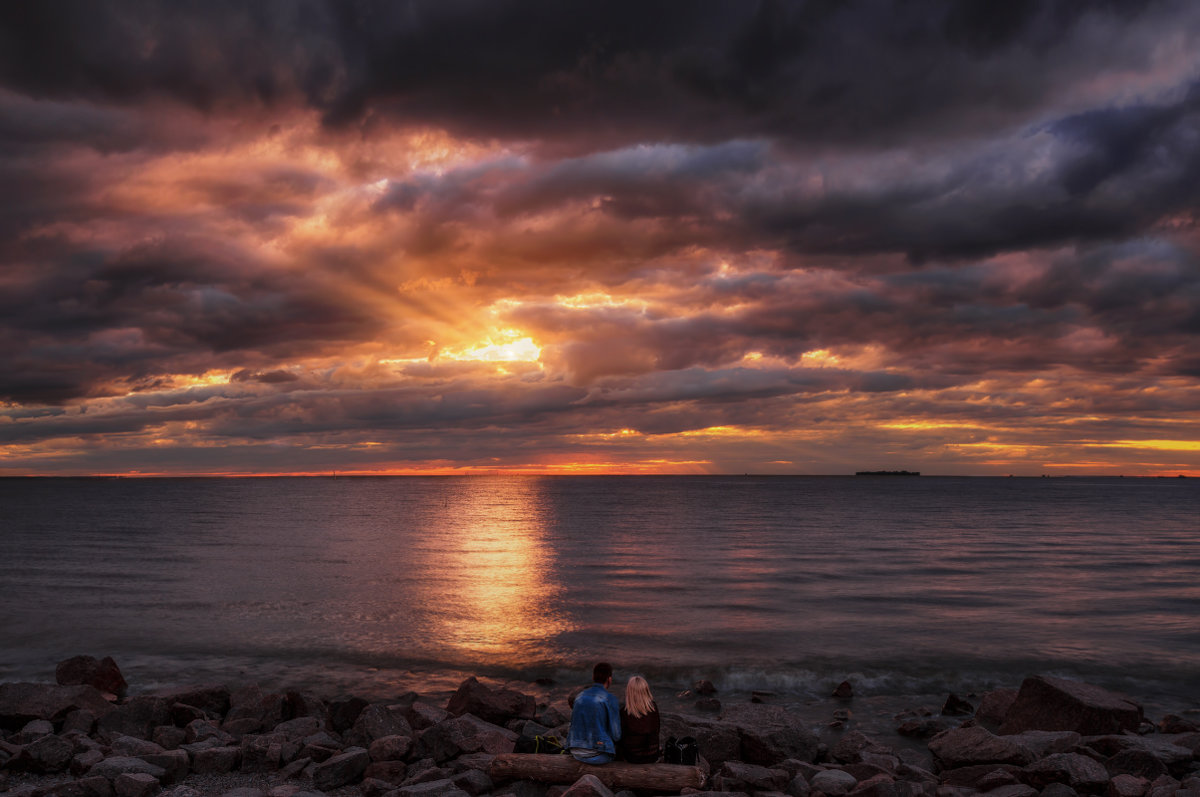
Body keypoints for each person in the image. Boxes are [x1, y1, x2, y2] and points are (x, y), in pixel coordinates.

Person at [568, 662, 622, 764]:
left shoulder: (579, 696)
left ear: (593, 677)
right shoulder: (610, 699)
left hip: (575, 751)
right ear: (609, 679)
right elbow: (616, 735)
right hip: (597, 755)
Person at [618, 675, 661, 763]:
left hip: (633, 757)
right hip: (653, 755)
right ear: (646, 690)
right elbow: (657, 729)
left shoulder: (624, 712)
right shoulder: (653, 707)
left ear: (629, 692)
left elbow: (621, 737)